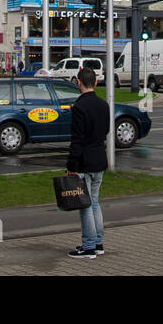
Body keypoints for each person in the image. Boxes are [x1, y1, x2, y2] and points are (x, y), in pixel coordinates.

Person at [65, 65, 110, 259]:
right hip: (100, 158)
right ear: (96, 82)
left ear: (79, 83)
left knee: (85, 205)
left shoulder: (79, 107)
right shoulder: (104, 105)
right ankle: (98, 242)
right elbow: (106, 131)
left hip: (84, 161)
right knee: (95, 202)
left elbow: (77, 140)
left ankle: (89, 246)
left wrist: (71, 166)